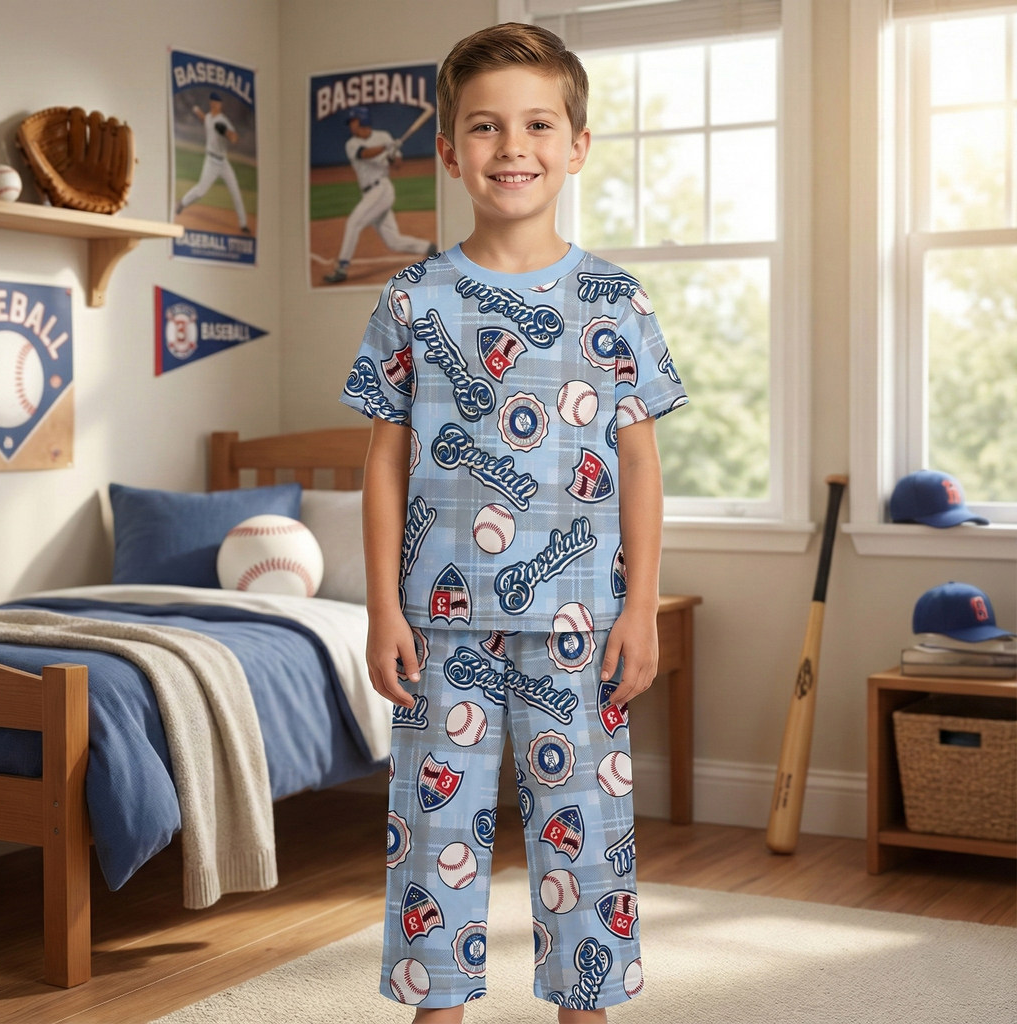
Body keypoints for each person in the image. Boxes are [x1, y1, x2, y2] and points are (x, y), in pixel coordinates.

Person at [339, 22, 688, 1023]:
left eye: (537, 123)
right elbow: (383, 460)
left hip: (582, 622)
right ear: (448, 151)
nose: (511, 146)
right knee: (430, 831)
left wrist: (643, 608)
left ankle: (585, 1007)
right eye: (484, 127)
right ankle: (434, 1008)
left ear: (576, 145)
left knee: (585, 835)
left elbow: (639, 463)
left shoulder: (614, 299)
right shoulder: (412, 299)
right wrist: (380, 610)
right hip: (440, 620)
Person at [323, 105, 437, 284]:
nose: (351, 126)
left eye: (353, 121)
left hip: (381, 190)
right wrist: (386, 147)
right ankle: (430, 247)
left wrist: (392, 155)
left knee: (354, 222)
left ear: (363, 121)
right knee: (393, 241)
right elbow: (365, 154)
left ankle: (341, 268)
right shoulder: (352, 143)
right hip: (369, 194)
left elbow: (398, 164)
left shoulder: (383, 135)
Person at [175, 91, 250, 234]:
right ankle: (182, 203)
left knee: (235, 191)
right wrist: (197, 111)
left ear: (220, 105)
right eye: (214, 103)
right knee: (201, 191)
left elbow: (234, 139)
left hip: (223, 162)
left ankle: (243, 224)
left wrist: (225, 132)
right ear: (211, 104)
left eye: (218, 103)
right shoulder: (209, 117)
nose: (216, 105)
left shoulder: (223, 121)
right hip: (210, 161)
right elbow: (205, 119)